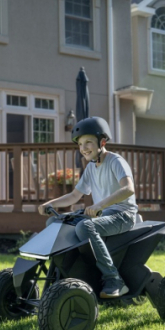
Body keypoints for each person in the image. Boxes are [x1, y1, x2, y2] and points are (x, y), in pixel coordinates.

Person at [38, 117, 138, 298]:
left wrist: (100, 204)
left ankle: (114, 279)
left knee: (84, 226)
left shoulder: (115, 161)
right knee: (55, 221)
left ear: (102, 142)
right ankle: (61, 274)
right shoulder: (91, 168)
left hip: (123, 214)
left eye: (88, 142)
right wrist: (51, 204)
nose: (84, 148)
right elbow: (75, 196)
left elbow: (129, 189)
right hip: (102, 213)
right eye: (80, 144)